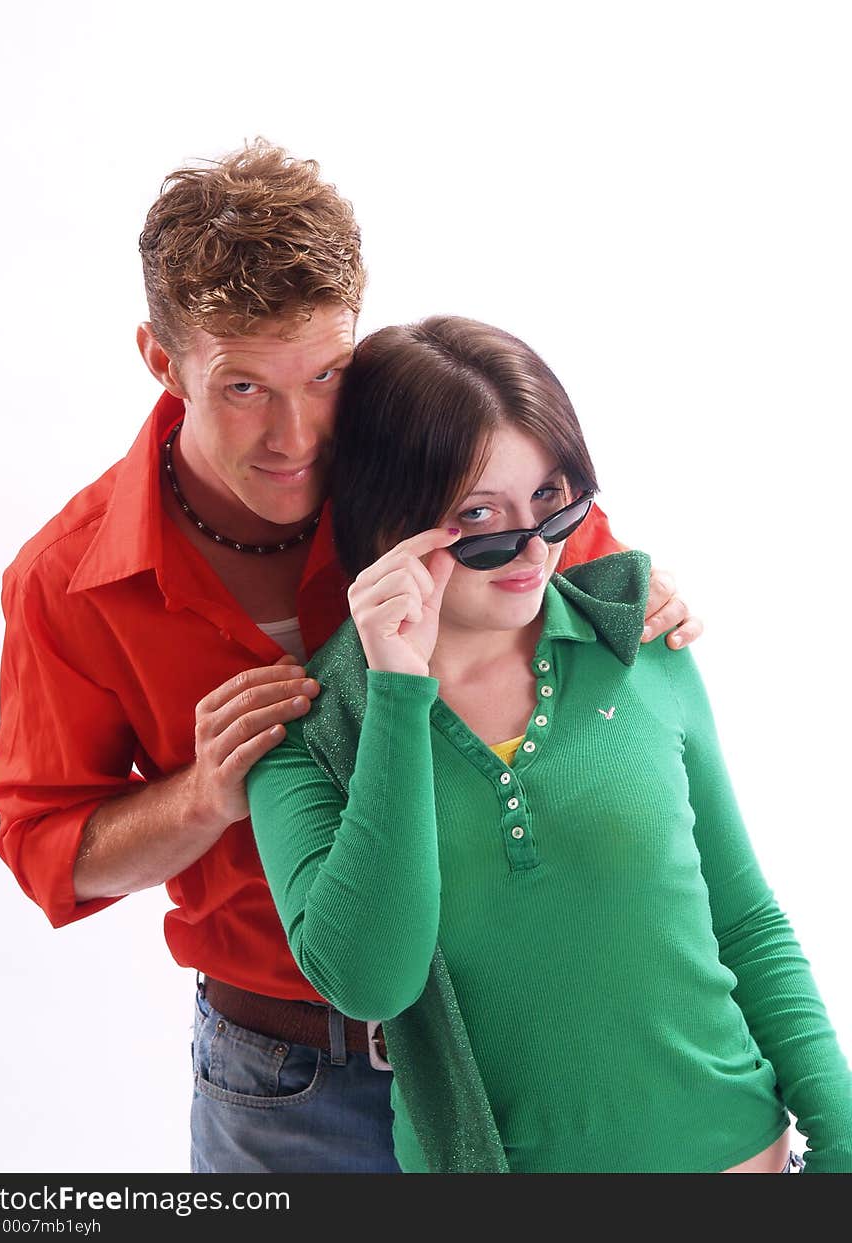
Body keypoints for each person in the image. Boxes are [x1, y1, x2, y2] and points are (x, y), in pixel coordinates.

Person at [0, 141, 702, 1175]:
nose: (298, 433)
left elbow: (595, 620)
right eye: (243, 387)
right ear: (160, 360)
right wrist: (201, 798)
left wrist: (643, 606)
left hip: (529, 1039)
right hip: (288, 1085)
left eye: (326, 373)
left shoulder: (445, 462)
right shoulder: (64, 581)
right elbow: (53, 850)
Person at [247, 315, 852, 1173]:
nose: (534, 548)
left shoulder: (641, 644)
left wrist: (844, 1140)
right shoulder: (308, 738)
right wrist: (397, 694)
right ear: (391, 523)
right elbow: (370, 980)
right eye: (481, 516)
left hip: (739, 1156)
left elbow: (745, 917)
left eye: (554, 498)